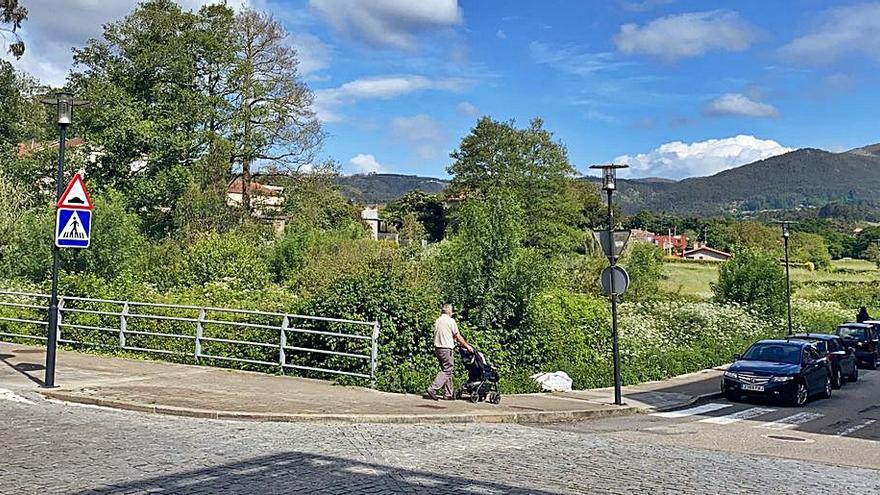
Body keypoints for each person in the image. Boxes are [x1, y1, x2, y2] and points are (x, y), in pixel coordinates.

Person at [426, 303, 473, 401]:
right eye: (452, 311)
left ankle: (448, 393)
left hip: (438, 348)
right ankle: (433, 388)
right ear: (449, 311)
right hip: (446, 349)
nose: (452, 313)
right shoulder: (451, 321)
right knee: (447, 370)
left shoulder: (438, 320)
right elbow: (457, 336)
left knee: (447, 370)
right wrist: (467, 346)